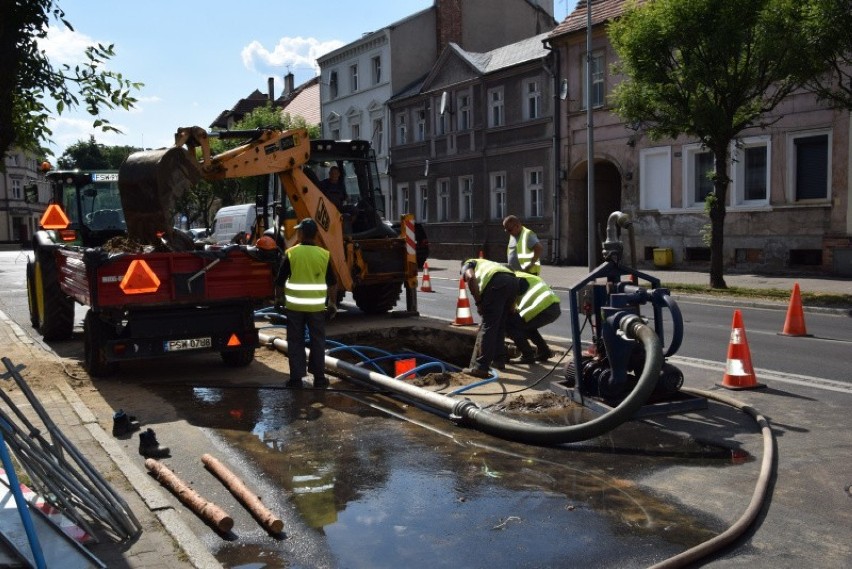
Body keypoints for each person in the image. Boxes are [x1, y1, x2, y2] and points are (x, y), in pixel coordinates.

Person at [277, 218, 337, 389]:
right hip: (316, 308)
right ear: (316, 234)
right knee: (318, 342)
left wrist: (278, 300)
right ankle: (319, 378)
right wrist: (332, 304)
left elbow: (279, 281)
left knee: (295, 342)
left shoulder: (291, 253)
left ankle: (296, 379)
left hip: (295, 308)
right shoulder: (323, 255)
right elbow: (333, 283)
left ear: (301, 233)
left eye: (299, 231)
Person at [460, 258, 519, 378]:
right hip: (513, 282)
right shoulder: (488, 263)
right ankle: (499, 360)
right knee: (500, 326)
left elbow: (471, 278)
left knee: (489, 327)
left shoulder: (468, 264)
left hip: (497, 283)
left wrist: (479, 303)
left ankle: (481, 367)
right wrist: (511, 303)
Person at [505, 271, 561, 364]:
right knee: (528, 327)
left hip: (542, 307)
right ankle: (544, 352)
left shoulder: (511, 280)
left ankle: (527, 355)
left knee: (512, 326)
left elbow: (510, 306)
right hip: (552, 306)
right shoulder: (520, 275)